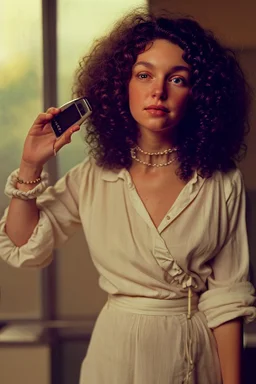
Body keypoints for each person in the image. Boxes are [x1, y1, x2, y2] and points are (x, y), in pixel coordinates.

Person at [0, 9, 255, 384]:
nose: (159, 91)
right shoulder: (93, 177)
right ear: (122, 85)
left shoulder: (221, 181)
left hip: (193, 355)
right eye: (144, 74)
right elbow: (23, 247)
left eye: (178, 79)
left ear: (198, 94)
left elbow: (227, 299)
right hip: (115, 355)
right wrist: (29, 165)